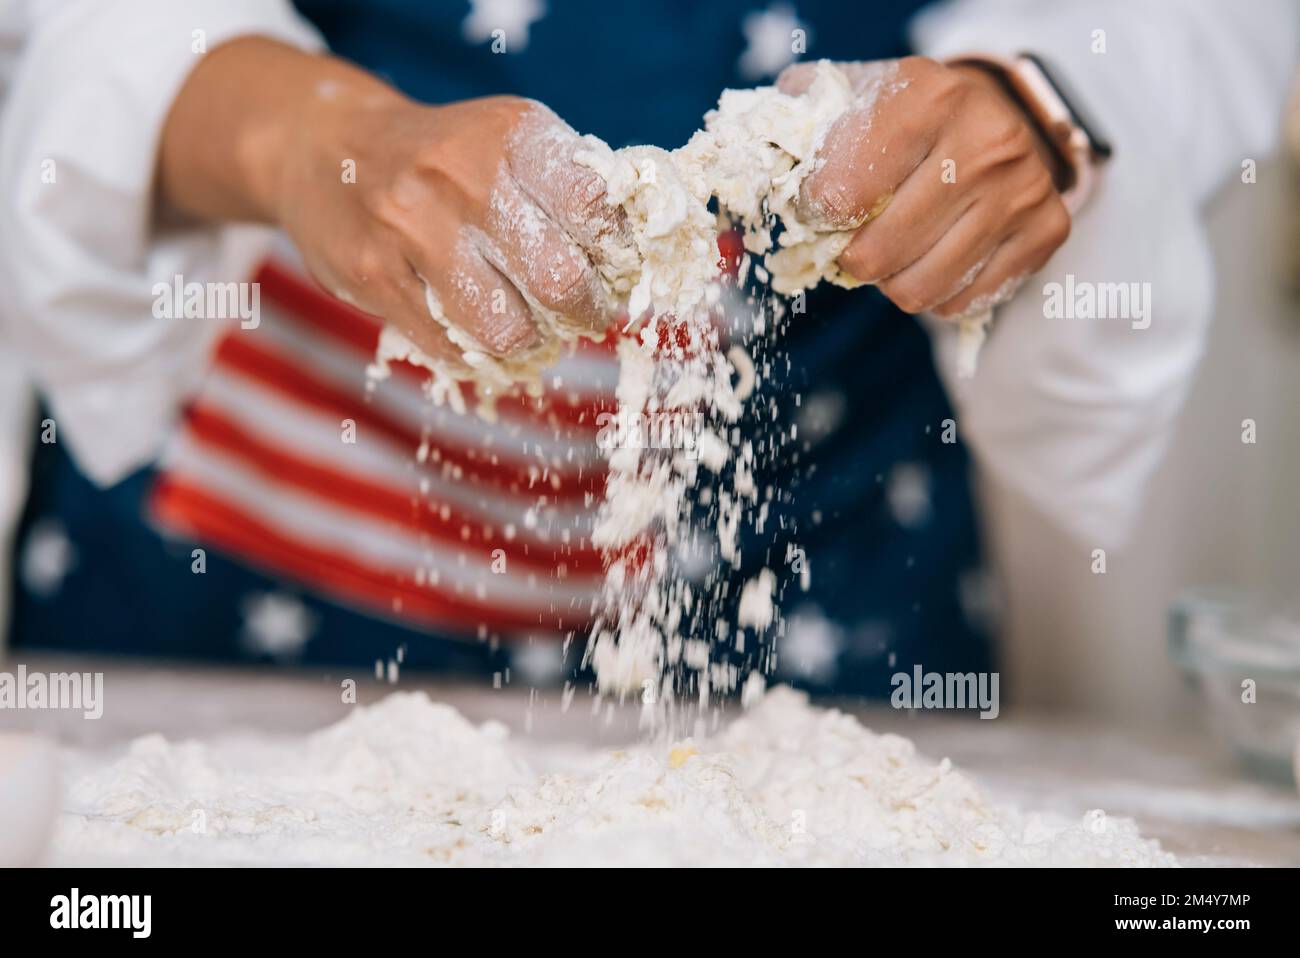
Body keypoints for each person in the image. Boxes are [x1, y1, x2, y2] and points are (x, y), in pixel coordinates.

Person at [1, 1, 1294, 695]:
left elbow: (1203, 21)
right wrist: (303, 140)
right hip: (238, 575)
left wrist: (1049, 99)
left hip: (829, 568)